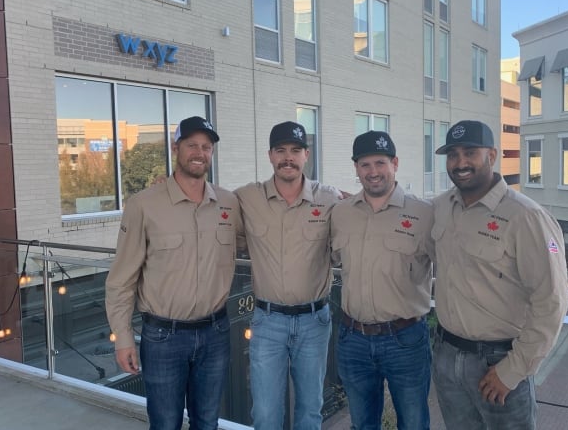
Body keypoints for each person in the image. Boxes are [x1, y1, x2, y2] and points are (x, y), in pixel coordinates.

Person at [105, 116, 243, 430]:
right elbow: (121, 279)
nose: (200, 152)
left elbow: (265, 230)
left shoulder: (228, 203)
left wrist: (331, 201)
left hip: (216, 332)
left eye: (206, 147)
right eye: (192, 145)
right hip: (163, 338)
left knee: (207, 422)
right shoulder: (144, 205)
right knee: (165, 423)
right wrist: (122, 338)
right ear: (175, 148)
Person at [431, 120, 568, 429]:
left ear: (492, 156)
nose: (460, 162)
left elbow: (552, 301)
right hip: (446, 355)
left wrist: (514, 370)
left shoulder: (527, 216)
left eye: (470, 152)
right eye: (452, 154)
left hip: (498, 363)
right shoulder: (441, 207)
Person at [235, 121, 341, 430]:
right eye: (280, 150)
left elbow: (362, 214)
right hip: (268, 322)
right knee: (265, 414)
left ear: (306, 154)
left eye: (295, 151)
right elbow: (205, 203)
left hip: (315, 321)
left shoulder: (329, 198)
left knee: (310, 411)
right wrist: (167, 183)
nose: (288, 158)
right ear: (270, 155)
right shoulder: (246, 198)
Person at [330, 131, 434, 430]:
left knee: (413, 424)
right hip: (354, 339)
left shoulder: (424, 214)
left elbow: (455, 267)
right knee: (362, 424)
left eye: (380, 163)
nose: (373, 172)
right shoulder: (341, 213)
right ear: (356, 168)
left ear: (395, 164)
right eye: (365, 164)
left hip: (406, 340)